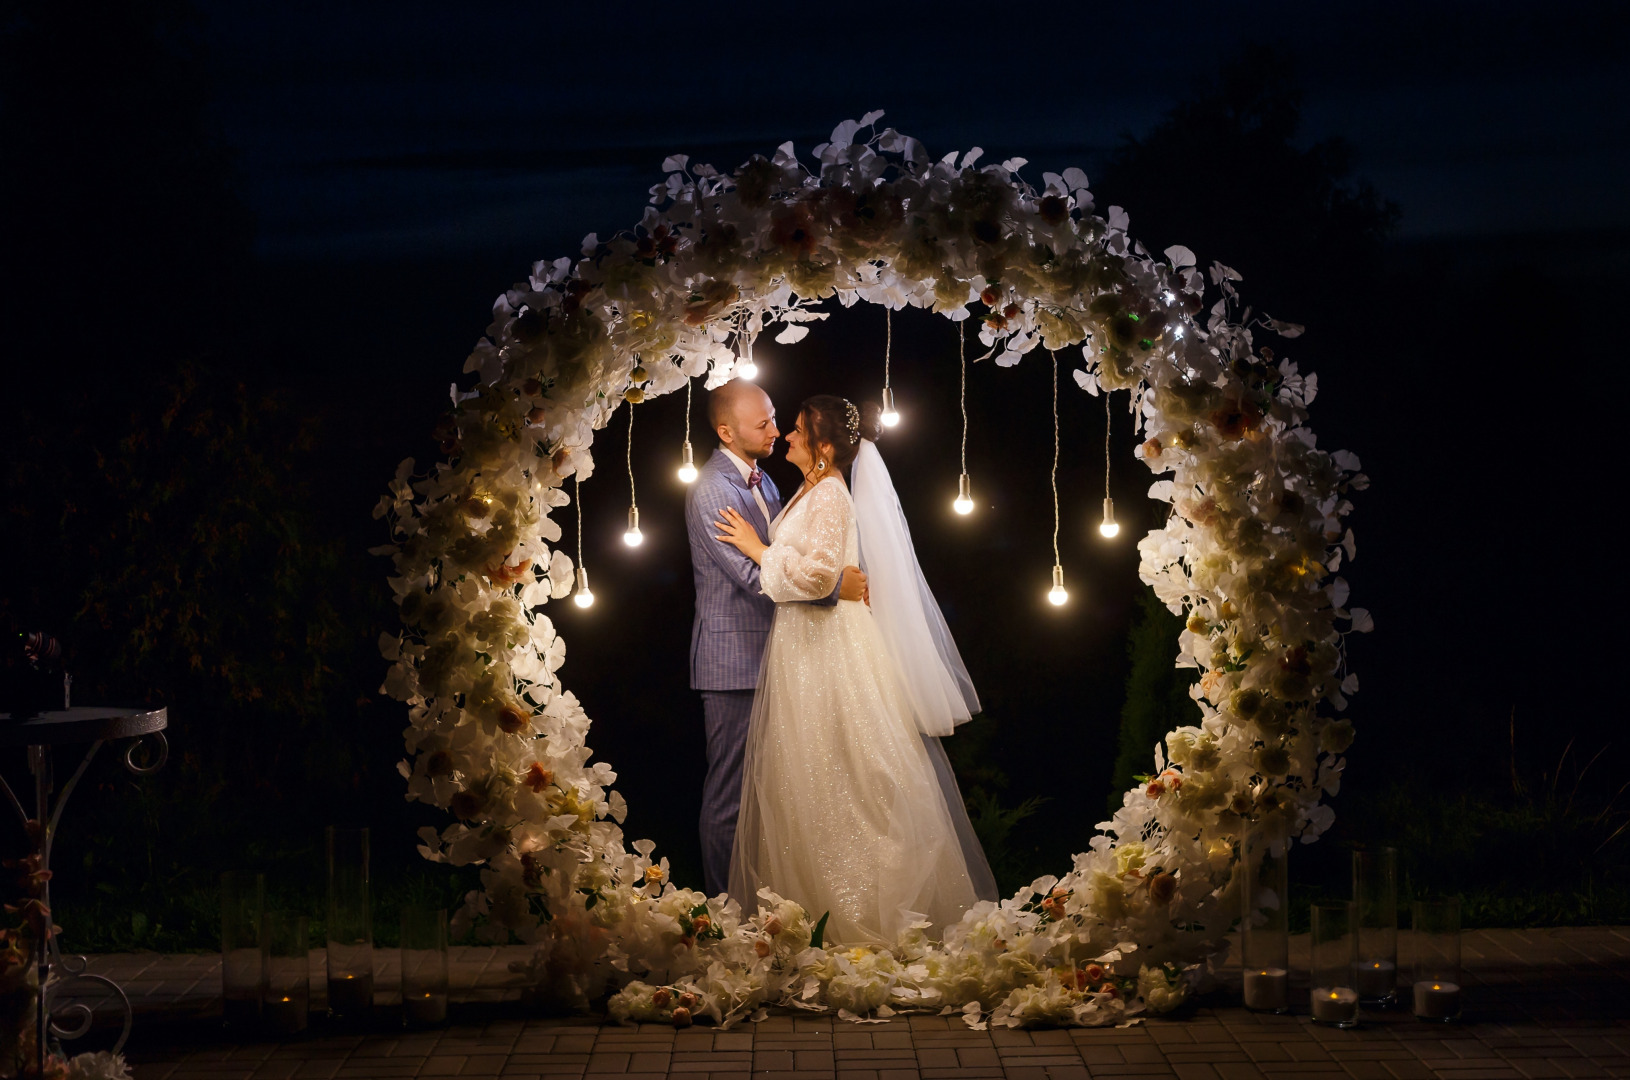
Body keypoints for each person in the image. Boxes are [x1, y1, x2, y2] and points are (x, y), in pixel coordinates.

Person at [714, 394, 996, 944]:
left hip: (828, 649)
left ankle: (866, 914)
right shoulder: (810, 491)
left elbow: (819, 578)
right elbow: (831, 572)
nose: (787, 438)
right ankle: (817, 912)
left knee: (848, 776)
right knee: (815, 778)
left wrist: (757, 549)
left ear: (822, 448)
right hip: (806, 646)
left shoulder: (831, 496)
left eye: (796, 430)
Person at [684, 380, 867, 898]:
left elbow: (800, 550)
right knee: (731, 798)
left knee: (774, 793)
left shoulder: (765, 482)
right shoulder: (714, 489)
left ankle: (764, 908)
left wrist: (834, 578)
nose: (775, 429)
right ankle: (726, 909)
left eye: (774, 417)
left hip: (781, 656)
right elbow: (750, 574)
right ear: (726, 431)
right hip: (735, 661)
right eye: (762, 422)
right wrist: (836, 588)